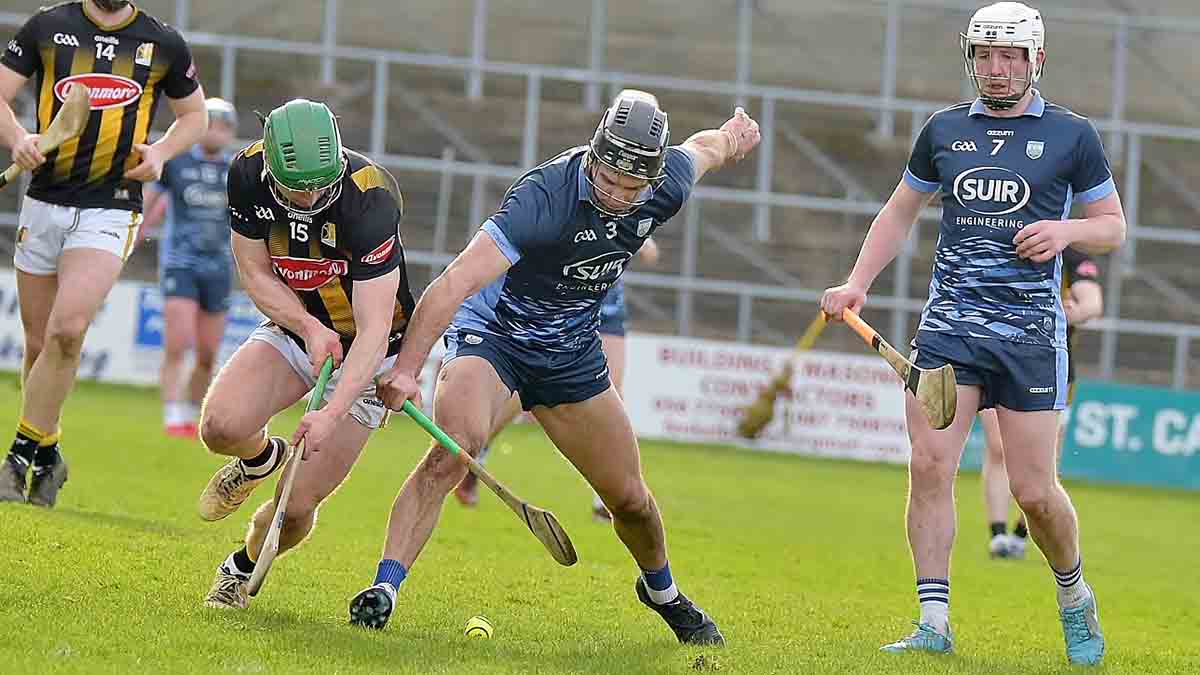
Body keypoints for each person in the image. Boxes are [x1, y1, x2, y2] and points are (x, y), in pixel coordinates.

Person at [354, 90, 760, 646]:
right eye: (608, 178)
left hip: (569, 353)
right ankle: (384, 588)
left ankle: (662, 592)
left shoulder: (666, 185)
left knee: (631, 500)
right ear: (594, 156)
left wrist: (732, 138)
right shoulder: (543, 198)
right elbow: (453, 284)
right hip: (495, 336)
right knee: (454, 449)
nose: (618, 195)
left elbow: (703, 148)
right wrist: (406, 370)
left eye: (632, 186)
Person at [820, 2, 1124, 666]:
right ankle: (933, 622)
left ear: (1035, 61)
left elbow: (1112, 226)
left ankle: (1074, 594)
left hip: (1029, 336)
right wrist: (857, 282)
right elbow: (899, 213)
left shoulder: (1072, 135)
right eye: (985, 54)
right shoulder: (944, 129)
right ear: (971, 58)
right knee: (929, 465)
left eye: (1010, 56)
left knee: (1034, 493)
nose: (996, 68)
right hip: (950, 329)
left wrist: (1065, 231)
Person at [195, 99, 416, 610]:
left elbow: (375, 329)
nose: (312, 196)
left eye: (321, 184)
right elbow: (255, 273)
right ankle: (260, 459)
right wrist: (308, 327)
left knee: (292, 508)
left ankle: (240, 567)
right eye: (299, 188)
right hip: (300, 330)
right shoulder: (247, 172)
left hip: (370, 355)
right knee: (220, 428)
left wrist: (331, 413)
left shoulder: (371, 197)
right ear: (273, 167)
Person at [0, 0, 208, 507]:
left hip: (111, 208)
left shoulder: (162, 42)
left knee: (67, 331)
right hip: (43, 202)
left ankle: (19, 458)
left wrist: (160, 153)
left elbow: (195, 116)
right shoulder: (48, 25)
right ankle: (49, 451)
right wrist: (18, 138)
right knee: (39, 344)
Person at [453, 236, 661, 523]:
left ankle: (606, 497)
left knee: (614, 389)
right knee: (522, 390)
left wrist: (640, 241)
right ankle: (479, 452)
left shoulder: (627, 213)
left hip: (607, 304)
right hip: (562, 301)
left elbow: (650, 252)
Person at [982, 247, 1103, 559]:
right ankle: (998, 534)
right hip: (994, 355)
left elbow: (1092, 303)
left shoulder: (1071, 255)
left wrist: (1065, 313)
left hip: (1049, 366)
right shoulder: (997, 242)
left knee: (1044, 459)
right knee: (997, 447)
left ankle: (1021, 534)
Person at [142, 98, 239, 438]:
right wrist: (135, 232)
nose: (217, 132)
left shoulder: (236, 172)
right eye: (211, 125)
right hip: (180, 262)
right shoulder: (177, 163)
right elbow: (150, 203)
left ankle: (192, 412)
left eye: (224, 127)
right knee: (178, 341)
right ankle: (173, 415)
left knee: (208, 353)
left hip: (219, 266)